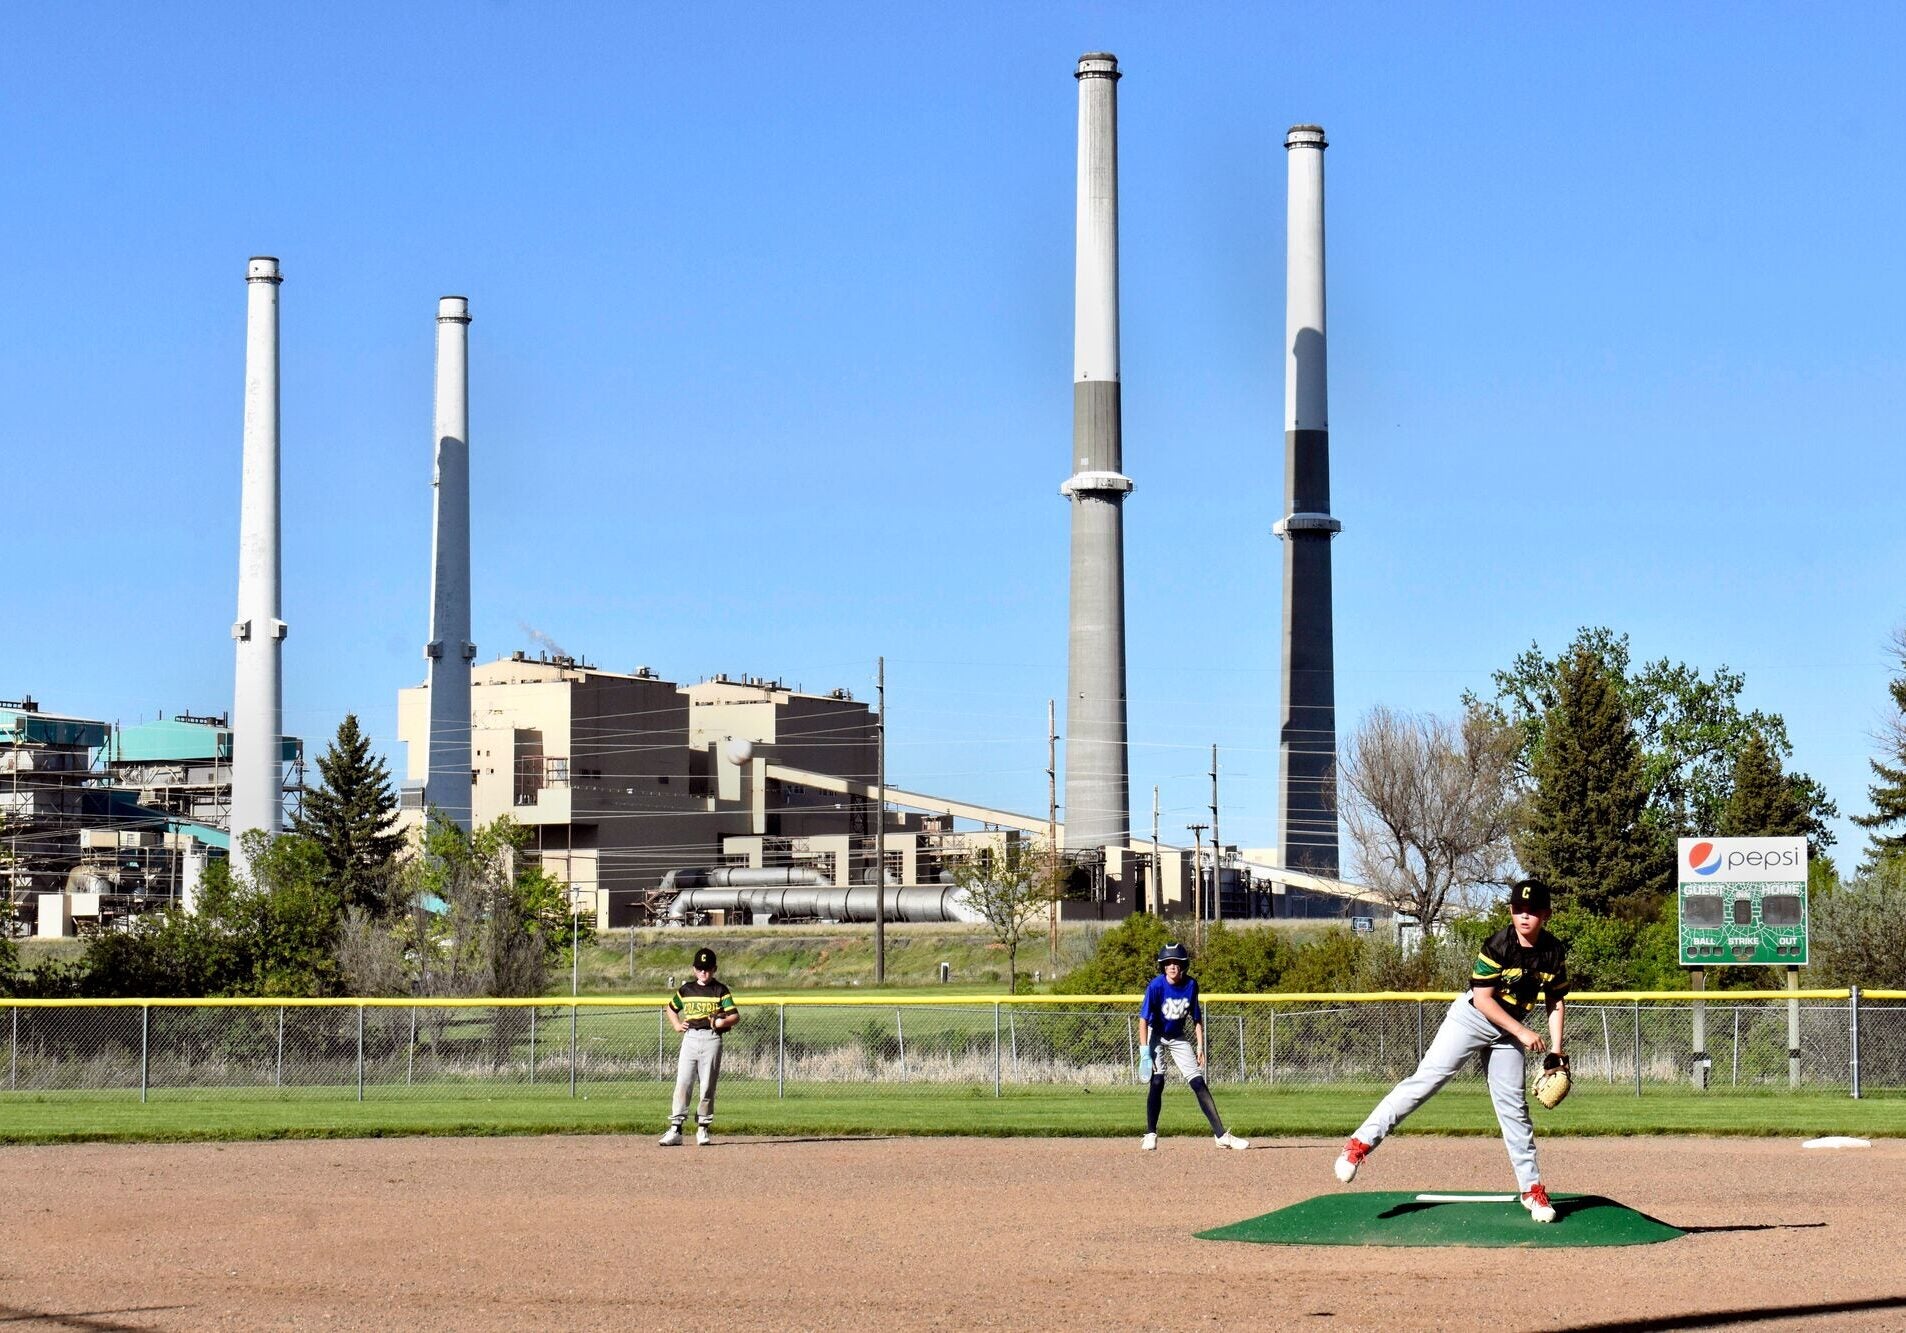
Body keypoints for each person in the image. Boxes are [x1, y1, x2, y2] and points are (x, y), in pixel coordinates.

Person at [1332, 877, 1569, 1222]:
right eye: (1518, 909)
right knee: (1426, 1081)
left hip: (1508, 1035)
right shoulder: (1497, 946)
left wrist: (1556, 1052)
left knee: (1514, 1110)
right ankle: (1359, 1145)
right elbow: (1485, 1001)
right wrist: (1521, 1031)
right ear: (1510, 911)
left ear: (1546, 914)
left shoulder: (1553, 952)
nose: (1524, 915)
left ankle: (1531, 1190)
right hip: (1473, 1019)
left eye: (1532, 910)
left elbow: (1556, 999)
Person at [1138, 942, 1249, 1152]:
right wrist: (1145, 1051)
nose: (1172, 966)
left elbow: (1196, 1018)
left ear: (1183, 965)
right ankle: (1150, 1134)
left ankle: (1221, 1136)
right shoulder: (1155, 986)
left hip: (1178, 1037)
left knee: (1198, 1083)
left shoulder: (1191, 985)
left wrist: (1199, 1046)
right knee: (1158, 1080)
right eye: (1168, 963)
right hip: (1156, 1034)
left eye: (1176, 962)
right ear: (1163, 966)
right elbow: (1143, 1019)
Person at [659, 946, 738, 1147]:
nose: (704, 972)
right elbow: (670, 1008)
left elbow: (734, 1015)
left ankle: (703, 1127)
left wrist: (722, 1023)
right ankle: (676, 1128)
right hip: (690, 1038)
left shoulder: (720, 990)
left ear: (715, 969)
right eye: (700, 968)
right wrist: (677, 1024)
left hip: (711, 1038)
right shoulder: (687, 990)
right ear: (694, 969)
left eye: (708, 968)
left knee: (707, 1086)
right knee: (683, 1082)